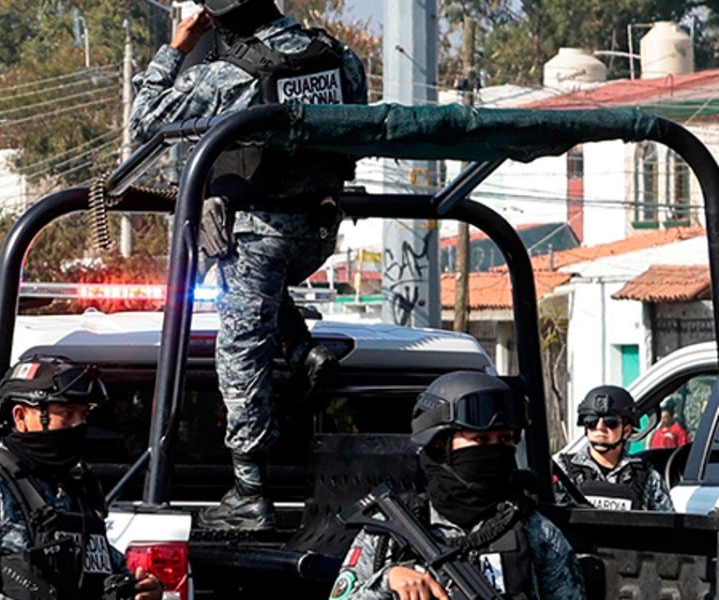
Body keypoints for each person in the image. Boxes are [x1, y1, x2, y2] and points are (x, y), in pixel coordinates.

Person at [129, 0, 367, 531]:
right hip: (318, 232)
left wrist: (178, 45)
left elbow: (145, 120)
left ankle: (249, 492)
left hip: (259, 236)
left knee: (240, 353)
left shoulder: (230, 73)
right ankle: (302, 348)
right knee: (241, 271)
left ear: (220, 21)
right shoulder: (337, 56)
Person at [0, 355, 163, 600]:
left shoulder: (76, 483)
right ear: (21, 417)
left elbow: (98, 561)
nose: (78, 425)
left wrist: (139, 588)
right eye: (67, 414)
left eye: (83, 414)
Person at [330, 371, 585, 600]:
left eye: (505, 439)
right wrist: (387, 581)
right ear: (439, 444)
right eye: (480, 439)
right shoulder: (389, 530)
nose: (495, 450)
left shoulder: (537, 532)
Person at [553, 385, 674, 512]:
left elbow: (666, 522)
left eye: (610, 422)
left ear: (627, 431)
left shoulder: (647, 477)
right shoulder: (561, 470)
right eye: (591, 421)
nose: (600, 428)